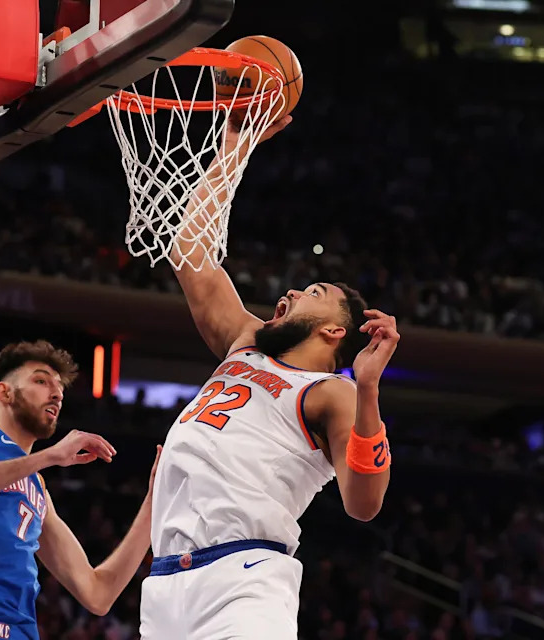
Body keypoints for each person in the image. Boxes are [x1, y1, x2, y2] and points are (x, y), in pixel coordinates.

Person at [139, 116, 399, 639]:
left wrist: (369, 390)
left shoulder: (333, 393)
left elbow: (364, 505)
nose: (292, 293)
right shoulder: (246, 341)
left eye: (313, 291)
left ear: (332, 330)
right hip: (165, 583)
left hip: (246, 579)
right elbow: (190, 249)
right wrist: (235, 145)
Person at [0, 340, 160, 640]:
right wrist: (50, 456)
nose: (56, 393)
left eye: (60, 389)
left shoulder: (37, 488)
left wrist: (153, 502)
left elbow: (98, 594)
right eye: (41, 381)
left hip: (20, 632)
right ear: (5, 392)